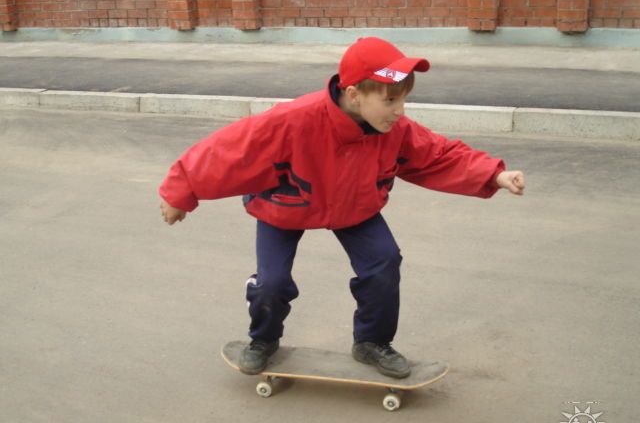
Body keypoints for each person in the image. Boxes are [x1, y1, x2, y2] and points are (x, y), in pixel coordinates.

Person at [159, 37, 525, 379]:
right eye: (390, 101)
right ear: (354, 94)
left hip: (354, 206)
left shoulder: (393, 128)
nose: (400, 111)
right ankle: (263, 339)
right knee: (272, 282)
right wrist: (181, 190)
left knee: (383, 262)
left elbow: (438, 155)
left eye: (403, 100)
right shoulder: (293, 120)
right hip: (286, 207)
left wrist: (494, 175)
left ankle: (372, 342)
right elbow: (228, 152)